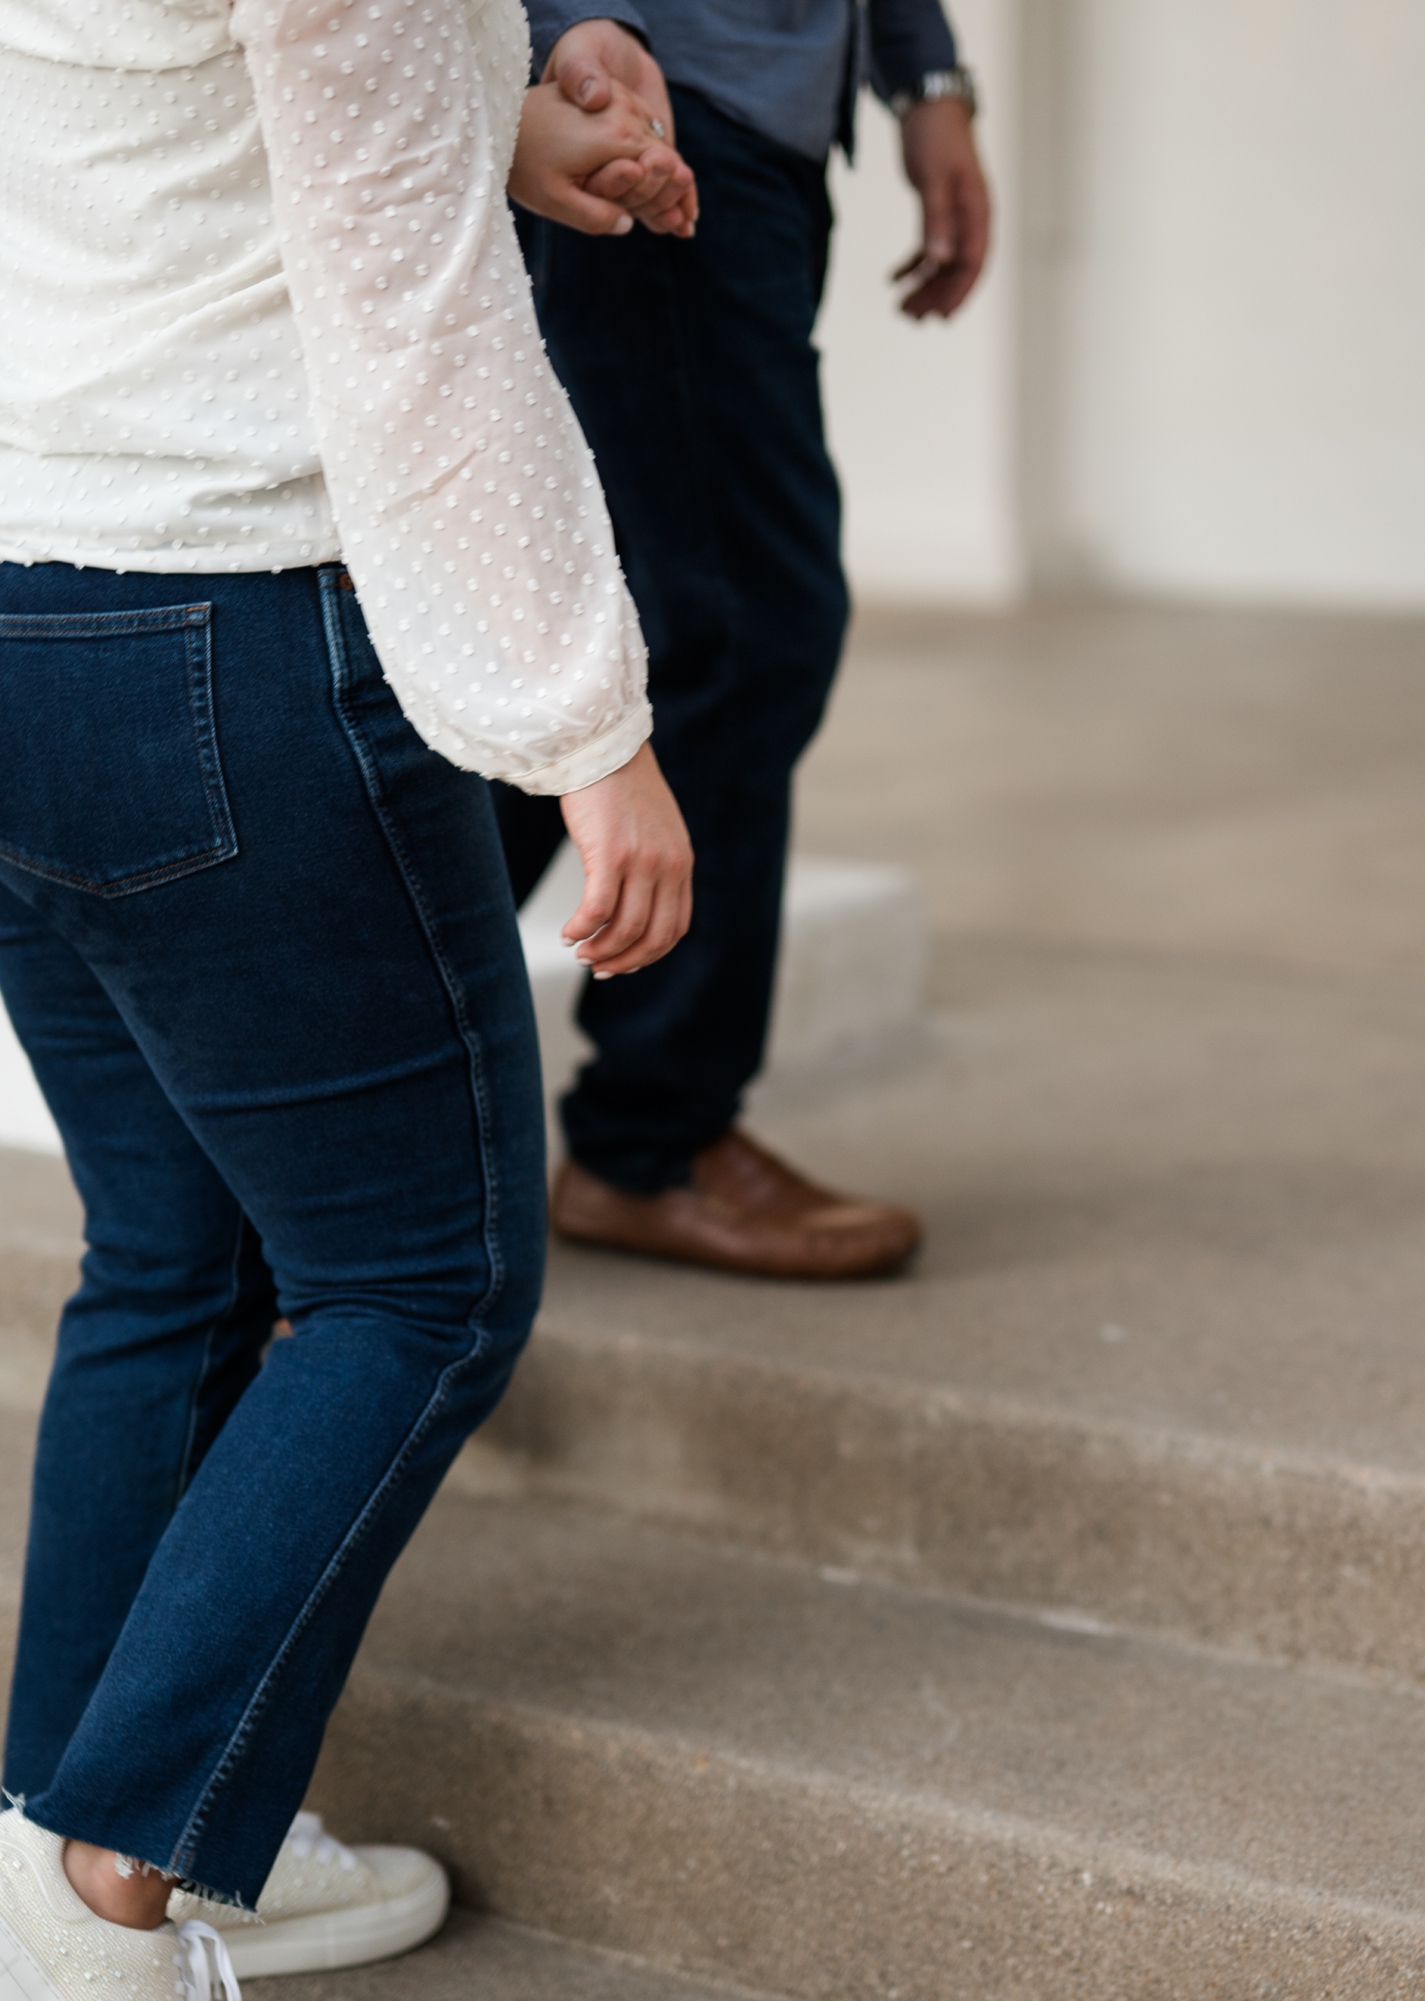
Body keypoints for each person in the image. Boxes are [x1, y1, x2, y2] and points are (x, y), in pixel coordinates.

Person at [0, 0, 693, 1992]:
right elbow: (419, 325)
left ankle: (71, 1824)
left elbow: (167, 131)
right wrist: (590, 718)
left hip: (33, 596)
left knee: (170, 1248)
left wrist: (504, 129)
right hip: (231, 619)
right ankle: (120, 1874)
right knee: (424, 1278)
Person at [494, 0, 991, 1282]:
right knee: (728, 628)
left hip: (763, 115)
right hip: (655, 96)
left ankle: (349, 1101)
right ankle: (646, 1142)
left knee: (691, 626)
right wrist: (573, 24)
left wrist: (920, 72)